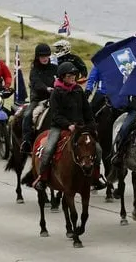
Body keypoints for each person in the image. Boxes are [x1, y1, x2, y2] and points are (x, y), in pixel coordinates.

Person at [32, 62, 97, 191]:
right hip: (60, 127)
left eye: (74, 75)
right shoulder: (56, 93)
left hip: (79, 127)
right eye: (69, 76)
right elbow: (55, 115)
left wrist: (91, 125)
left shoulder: (78, 90)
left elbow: (87, 111)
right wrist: (68, 125)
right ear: (62, 77)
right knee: (49, 149)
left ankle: (96, 177)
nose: (72, 78)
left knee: (97, 149)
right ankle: (42, 178)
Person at [21, 43, 58, 154]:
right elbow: (36, 83)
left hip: (54, 98)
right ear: (38, 57)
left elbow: (61, 79)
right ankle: (26, 141)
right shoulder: (34, 70)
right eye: (42, 56)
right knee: (27, 115)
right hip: (38, 99)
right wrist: (47, 88)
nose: (45, 58)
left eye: (46, 56)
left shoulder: (55, 68)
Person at [84, 41, 112, 114]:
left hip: (115, 95)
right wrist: (88, 90)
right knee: (89, 113)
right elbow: (92, 79)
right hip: (101, 94)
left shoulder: (120, 64)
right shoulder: (99, 64)